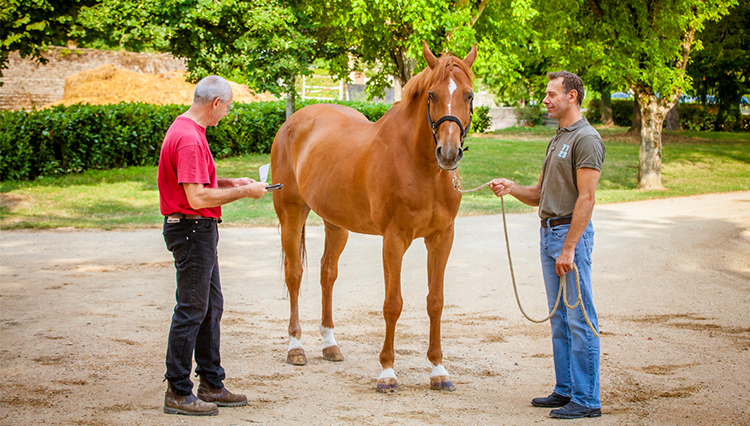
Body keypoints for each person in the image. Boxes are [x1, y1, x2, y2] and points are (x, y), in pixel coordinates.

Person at [490, 71, 605, 419]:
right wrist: (511, 188)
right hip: (549, 233)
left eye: (552, 94)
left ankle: (587, 400)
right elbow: (540, 194)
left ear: (572, 97)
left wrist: (569, 248)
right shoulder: (558, 138)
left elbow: (586, 199)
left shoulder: (586, 139)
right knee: (560, 319)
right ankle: (566, 389)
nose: (546, 100)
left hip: (569, 236)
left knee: (579, 319)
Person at [158, 75, 269, 416]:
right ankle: (178, 391)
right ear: (216, 103)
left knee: (209, 308)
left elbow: (197, 181)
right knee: (192, 310)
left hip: (196, 230)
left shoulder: (187, 130)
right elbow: (197, 196)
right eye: (228, 106)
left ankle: (211, 383)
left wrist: (232, 181)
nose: (227, 113)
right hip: (192, 230)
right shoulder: (190, 138)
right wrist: (243, 192)